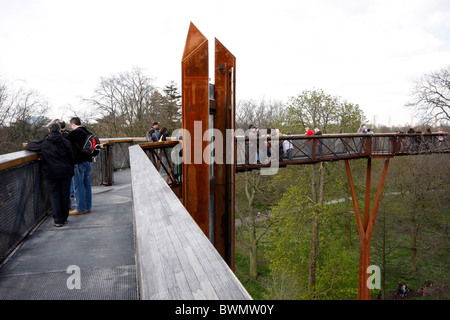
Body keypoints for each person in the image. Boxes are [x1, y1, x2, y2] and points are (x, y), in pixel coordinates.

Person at [26, 122, 74, 227]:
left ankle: (58, 220)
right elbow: (72, 158)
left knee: (54, 195)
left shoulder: (44, 143)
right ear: (60, 130)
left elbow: (29, 146)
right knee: (65, 195)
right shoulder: (66, 142)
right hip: (66, 172)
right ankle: (64, 218)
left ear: (49, 131)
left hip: (51, 172)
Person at [67, 117, 94, 215]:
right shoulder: (88, 132)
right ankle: (88, 207)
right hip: (88, 161)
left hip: (79, 162)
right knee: (87, 184)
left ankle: (80, 208)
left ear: (73, 124)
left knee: (79, 185)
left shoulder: (74, 133)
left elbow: (64, 142)